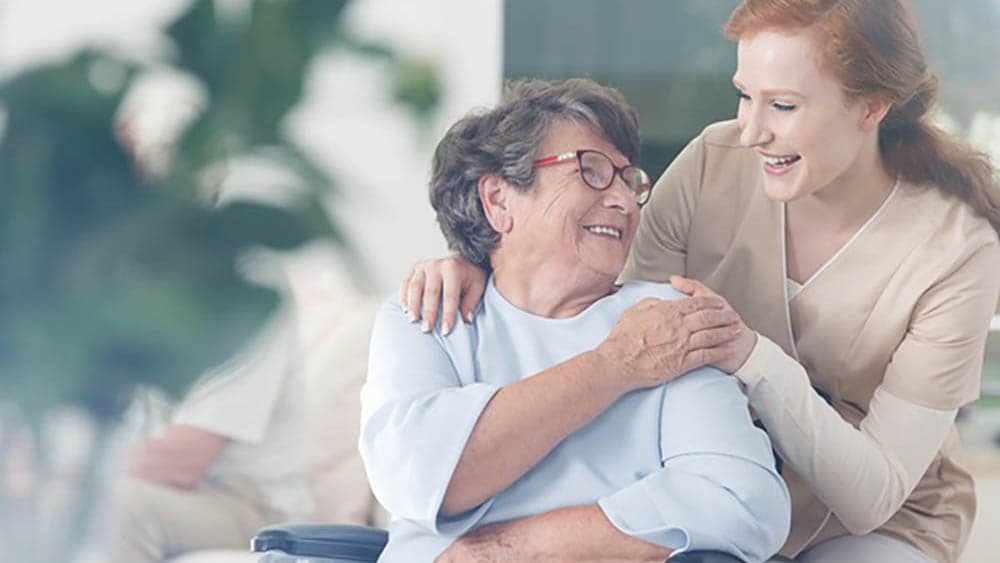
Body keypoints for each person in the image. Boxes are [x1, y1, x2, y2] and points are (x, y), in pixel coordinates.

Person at [396, 1, 1000, 562]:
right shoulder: (716, 160)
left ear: (872, 107)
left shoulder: (956, 250)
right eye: (744, 95)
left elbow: (874, 495)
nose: (751, 129)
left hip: (873, 522)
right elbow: (612, 317)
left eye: (783, 106)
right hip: (711, 489)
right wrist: (482, 255)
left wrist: (751, 357)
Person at [360, 78, 791, 563]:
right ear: (499, 200)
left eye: (630, 181)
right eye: (592, 171)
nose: (625, 202)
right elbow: (416, 476)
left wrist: (509, 550)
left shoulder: (667, 324)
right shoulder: (429, 315)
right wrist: (616, 365)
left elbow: (746, 504)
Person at [108, 307, 315, 562]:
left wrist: (75, 477)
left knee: (121, 506)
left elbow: (177, 464)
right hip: (194, 496)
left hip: (257, 509)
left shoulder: (245, 312)